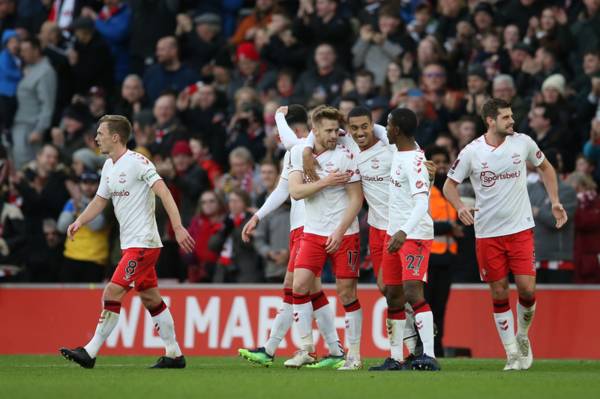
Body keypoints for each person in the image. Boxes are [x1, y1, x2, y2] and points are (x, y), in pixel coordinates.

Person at [59, 114, 195, 369]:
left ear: (115, 137)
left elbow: (164, 191)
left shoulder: (138, 162)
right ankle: (174, 354)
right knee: (151, 298)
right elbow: (100, 200)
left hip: (143, 244)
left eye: (100, 133)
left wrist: (177, 227)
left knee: (112, 291)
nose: (96, 138)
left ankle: (90, 352)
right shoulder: (109, 167)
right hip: (132, 244)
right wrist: (80, 221)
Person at [443, 98, 568, 371]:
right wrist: (460, 207)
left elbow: (546, 167)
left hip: (520, 229)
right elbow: (449, 185)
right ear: (490, 120)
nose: (512, 121)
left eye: (512, 116)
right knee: (499, 293)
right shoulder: (472, 152)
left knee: (527, 289)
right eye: (506, 117)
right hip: (487, 234)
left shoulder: (523, 142)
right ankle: (511, 353)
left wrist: (555, 200)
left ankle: (522, 336)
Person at [238, 105, 344, 369]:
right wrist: (258, 216)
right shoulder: (294, 155)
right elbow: (281, 191)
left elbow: (288, 140)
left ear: (302, 130)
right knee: (308, 290)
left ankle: (282, 348)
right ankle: (334, 350)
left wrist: (277, 117)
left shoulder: (305, 148)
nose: (279, 139)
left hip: (312, 227)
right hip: (298, 229)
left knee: (295, 287)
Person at [285, 105, 363, 370]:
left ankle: (353, 355)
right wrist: (325, 182)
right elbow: (295, 192)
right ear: (314, 130)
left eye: (335, 129)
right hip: (312, 233)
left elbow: (356, 199)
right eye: (328, 130)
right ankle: (306, 348)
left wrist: (340, 231)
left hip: (345, 234)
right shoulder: (300, 154)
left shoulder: (346, 155)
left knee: (346, 293)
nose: (334, 134)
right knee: (299, 286)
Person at [370, 108, 438, 372]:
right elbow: (377, 130)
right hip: (394, 233)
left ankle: (429, 355)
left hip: (414, 234)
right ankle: (396, 357)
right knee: (393, 295)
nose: (385, 128)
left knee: (412, 292)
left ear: (396, 129)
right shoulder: (398, 152)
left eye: (388, 124)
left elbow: (422, 203)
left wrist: (403, 232)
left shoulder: (415, 162)